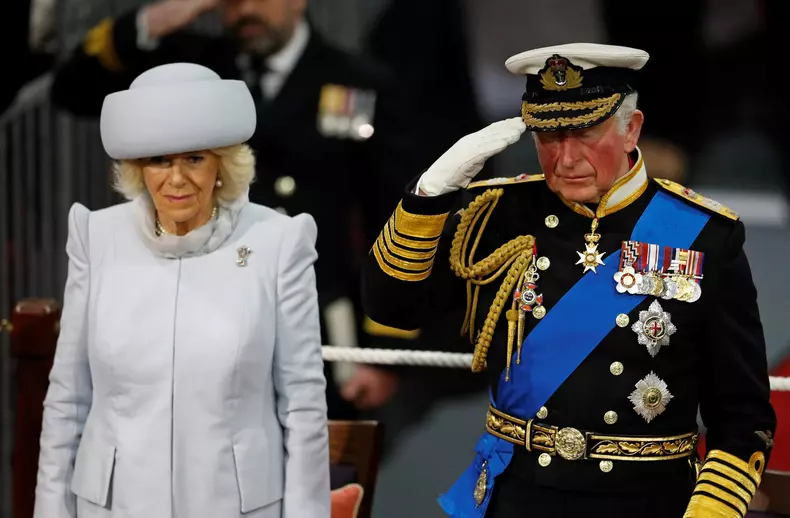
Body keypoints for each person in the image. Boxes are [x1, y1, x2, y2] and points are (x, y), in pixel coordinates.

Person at [361, 43, 777, 517]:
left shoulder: (703, 235)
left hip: (646, 504)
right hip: (518, 499)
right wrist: (427, 197)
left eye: (584, 133)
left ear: (631, 129)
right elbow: (391, 307)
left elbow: (743, 417)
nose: (566, 158)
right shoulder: (499, 214)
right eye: (549, 136)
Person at [47, 0, 451, 418]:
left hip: (315, 321)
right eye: (232, 0)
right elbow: (73, 89)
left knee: (316, 454)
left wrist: (385, 351)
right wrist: (160, 17)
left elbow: (394, 218)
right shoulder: (194, 70)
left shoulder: (358, 81)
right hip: (196, 314)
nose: (246, 10)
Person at [34, 62, 329, 518]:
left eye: (194, 158)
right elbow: (67, 399)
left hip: (234, 507)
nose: (176, 179)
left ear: (221, 164)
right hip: (114, 506)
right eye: (159, 160)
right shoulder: (96, 236)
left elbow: (303, 407)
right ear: (138, 168)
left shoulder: (278, 242)